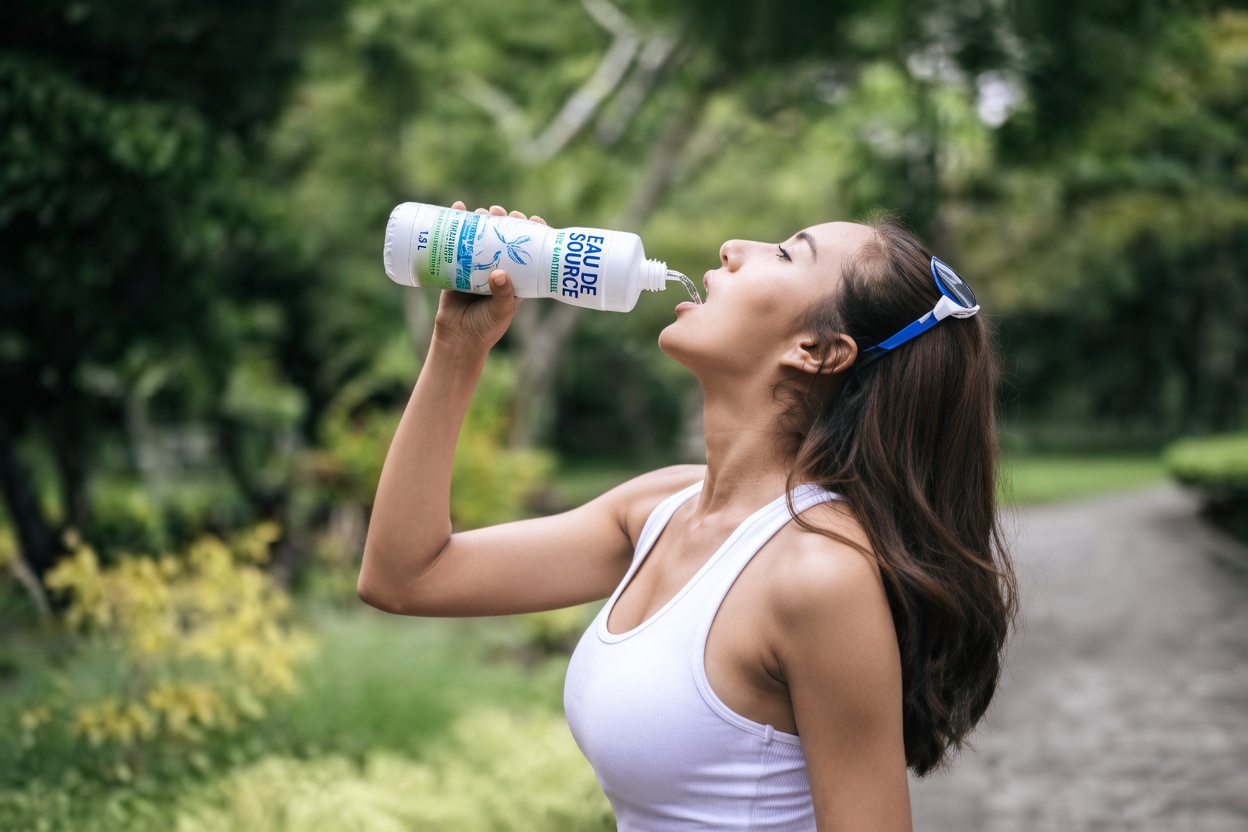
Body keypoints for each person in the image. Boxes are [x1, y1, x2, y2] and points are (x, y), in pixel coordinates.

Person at [358, 201, 1019, 832]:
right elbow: (407, 576)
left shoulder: (817, 573)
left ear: (818, 350)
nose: (734, 248)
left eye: (788, 255)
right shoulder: (659, 509)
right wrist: (457, 346)